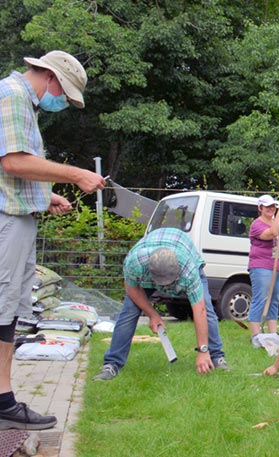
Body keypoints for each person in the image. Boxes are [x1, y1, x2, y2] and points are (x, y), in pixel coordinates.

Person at [0, 50, 105, 430]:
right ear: (53, 79)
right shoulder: (11, 95)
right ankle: (2, 402)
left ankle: (4, 397)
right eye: (66, 94)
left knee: (9, 310)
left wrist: (45, 197)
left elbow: (12, 174)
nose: (63, 102)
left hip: (18, 216)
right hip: (7, 222)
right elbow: (13, 162)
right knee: (2, 308)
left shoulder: (22, 102)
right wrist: (75, 175)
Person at [92, 228, 231, 381]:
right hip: (149, 262)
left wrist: (202, 350)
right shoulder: (136, 263)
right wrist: (152, 314)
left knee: (208, 309)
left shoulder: (188, 270)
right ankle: (112, 364)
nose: (165, 289)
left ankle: (216, 357)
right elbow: (131, 288)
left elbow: (200, 311)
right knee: (129, 312)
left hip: (183, 249)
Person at [247, 194, 279, 344]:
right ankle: (256, 336)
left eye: (273, 206)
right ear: (260, 208)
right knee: (261, 298)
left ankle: (273, 334)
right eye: (267, 206)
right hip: (262, 266)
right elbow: (273, 233)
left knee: (275, 299)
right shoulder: (256, 225)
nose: (271, 209)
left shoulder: (276, 221)